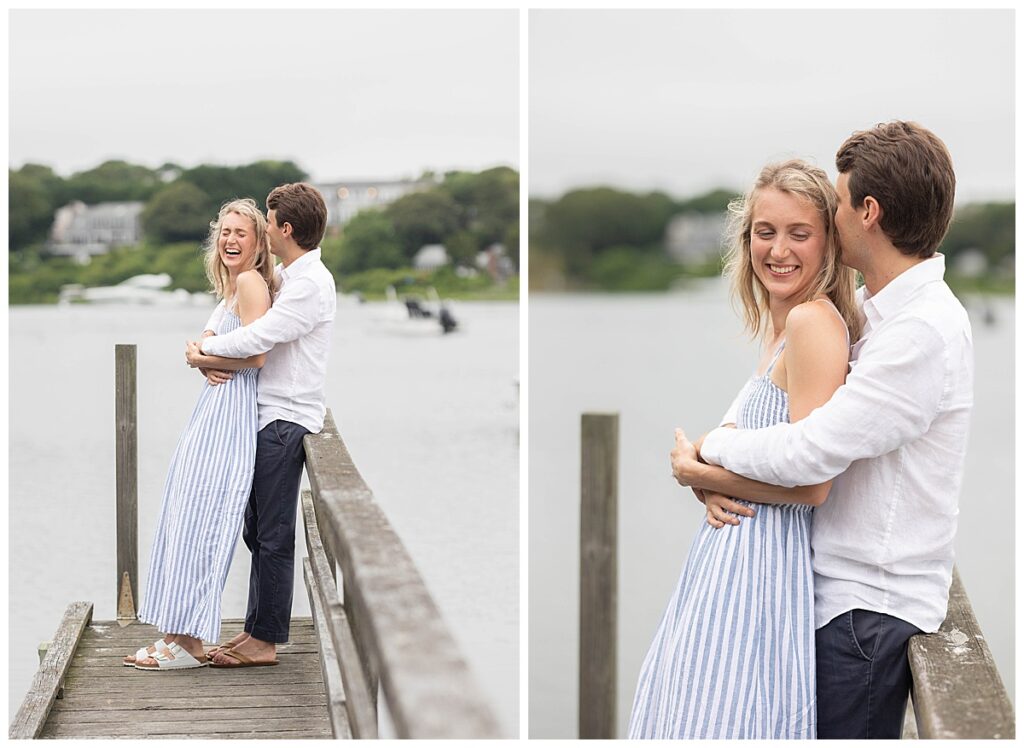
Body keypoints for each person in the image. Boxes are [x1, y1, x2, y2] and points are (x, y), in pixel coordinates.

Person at [673, 122, 973, 739]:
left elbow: (812, 454)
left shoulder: (921, 333)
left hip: (868, 611)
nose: (833, 218)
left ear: (868, 211)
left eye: (834, 205)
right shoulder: (885, 317)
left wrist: (706, 454)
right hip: (842, 602)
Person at [627, 160, 860, 739]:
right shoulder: (783, 331)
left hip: (760, 578)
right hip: (729, 573)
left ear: (829, 242)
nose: (778, 250)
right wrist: (706, 475)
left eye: (799, 234)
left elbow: (813, 485)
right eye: (765, 231)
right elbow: (770, 454)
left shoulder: (813, 324)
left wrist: (699, 475)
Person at [184, 182, 336, 669]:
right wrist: (207, 346)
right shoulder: (293, 276)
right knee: (255, 527)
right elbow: (235, 309)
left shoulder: (309, 283)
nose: (265, 229)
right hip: (268, 416)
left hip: (285, 419)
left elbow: (260, 337)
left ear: (284, 229)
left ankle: (266, 641)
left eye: (268, 222)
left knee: (271, 533)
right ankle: (255, 629)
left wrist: (200, 355)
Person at [125, 198, 275, 670]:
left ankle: (187, 643)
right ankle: (175, 633)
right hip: (210, 414)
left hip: (230, 419)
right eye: (225, 232)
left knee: (201, 521)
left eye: (241, 233)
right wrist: (202, 360)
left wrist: (201, 357)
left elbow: (256, 358)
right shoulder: (231, 289)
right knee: (182, 517)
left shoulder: (251, 283)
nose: (230, 240)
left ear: (257, 244)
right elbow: (218, 354)